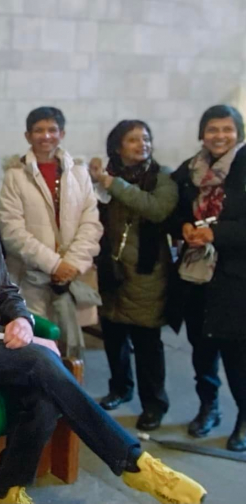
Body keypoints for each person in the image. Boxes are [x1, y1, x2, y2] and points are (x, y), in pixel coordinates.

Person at [0, 173, 206, 504]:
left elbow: (6, 290)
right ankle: (131, 461)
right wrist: (23, 339)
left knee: (44, 396)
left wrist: (21, 319)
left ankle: (2, 489)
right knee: (42, 360)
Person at [89, 120, 177, 431]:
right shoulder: (106, 176)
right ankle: (120, 388)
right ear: (117, 146)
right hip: (113, 270)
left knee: (147, 341)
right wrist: (98, 179)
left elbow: (157, 209)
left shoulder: (162, 177)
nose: (143, 144)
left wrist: (114, 184)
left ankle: (154, 403)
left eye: (146, 138)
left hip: (146, 272)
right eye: (133, 139)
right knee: (114, 336)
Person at [170, 105, 246, 452]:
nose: (219, 136)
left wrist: (217, 234)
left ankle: (244, 417)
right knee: (201, 350)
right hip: (196, 272)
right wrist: (182, 226)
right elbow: (175, 211)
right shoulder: (190, 170)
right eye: (212, 129)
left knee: (236, 354)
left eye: (227, 129)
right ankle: (208, 407)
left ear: (239, 132)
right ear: (202, 133)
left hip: (233, 278)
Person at [0, 106, 102, 355]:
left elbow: (91, 221)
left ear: (62, 133)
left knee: (70, 346)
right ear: (27, 136)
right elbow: (13, 231)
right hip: (31, 277)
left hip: (70, 275)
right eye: (39, 130)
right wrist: (55, 265)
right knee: (38, 345)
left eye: (52, 130)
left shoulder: (79, 172)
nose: (46, 136)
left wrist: (72, 263)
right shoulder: (15, 176)